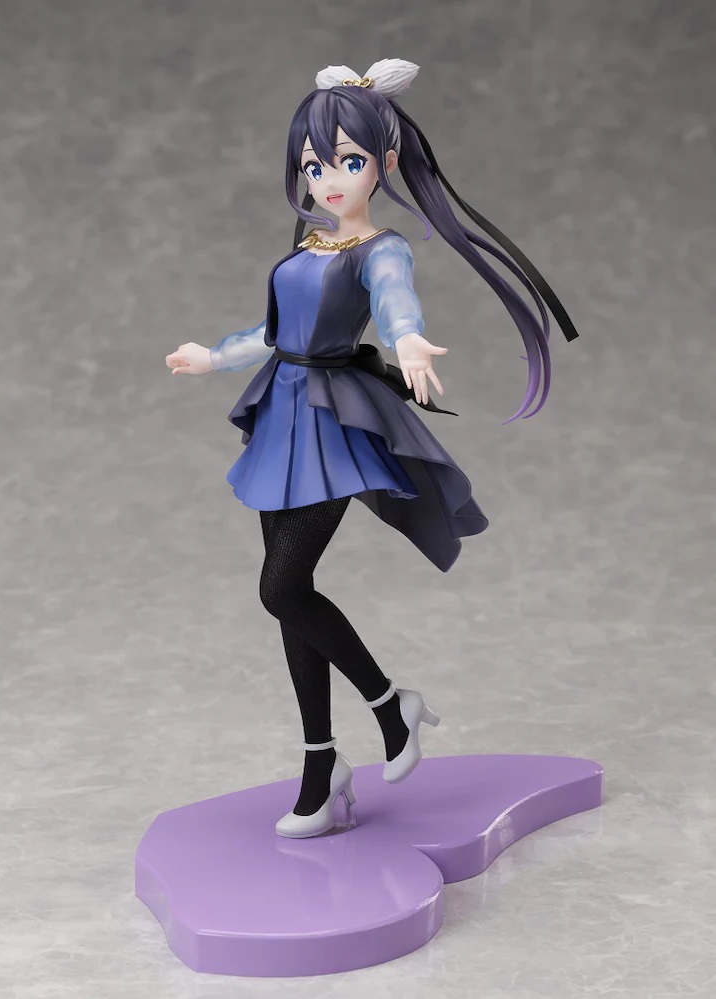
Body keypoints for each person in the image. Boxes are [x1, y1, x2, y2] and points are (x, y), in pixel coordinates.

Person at [164, 59, 578, 839]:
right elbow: (275, 333)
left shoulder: (380, 249)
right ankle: (322, 769)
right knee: (292, 597)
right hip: (281, 414)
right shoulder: (311, 240)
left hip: (329, 421)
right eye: (314, 165)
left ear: (383, 164)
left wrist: (409, 339)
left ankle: (391, 705)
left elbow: (394, 303)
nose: (329, 180)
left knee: (281, 588)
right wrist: (213, 356)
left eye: (348, 163)